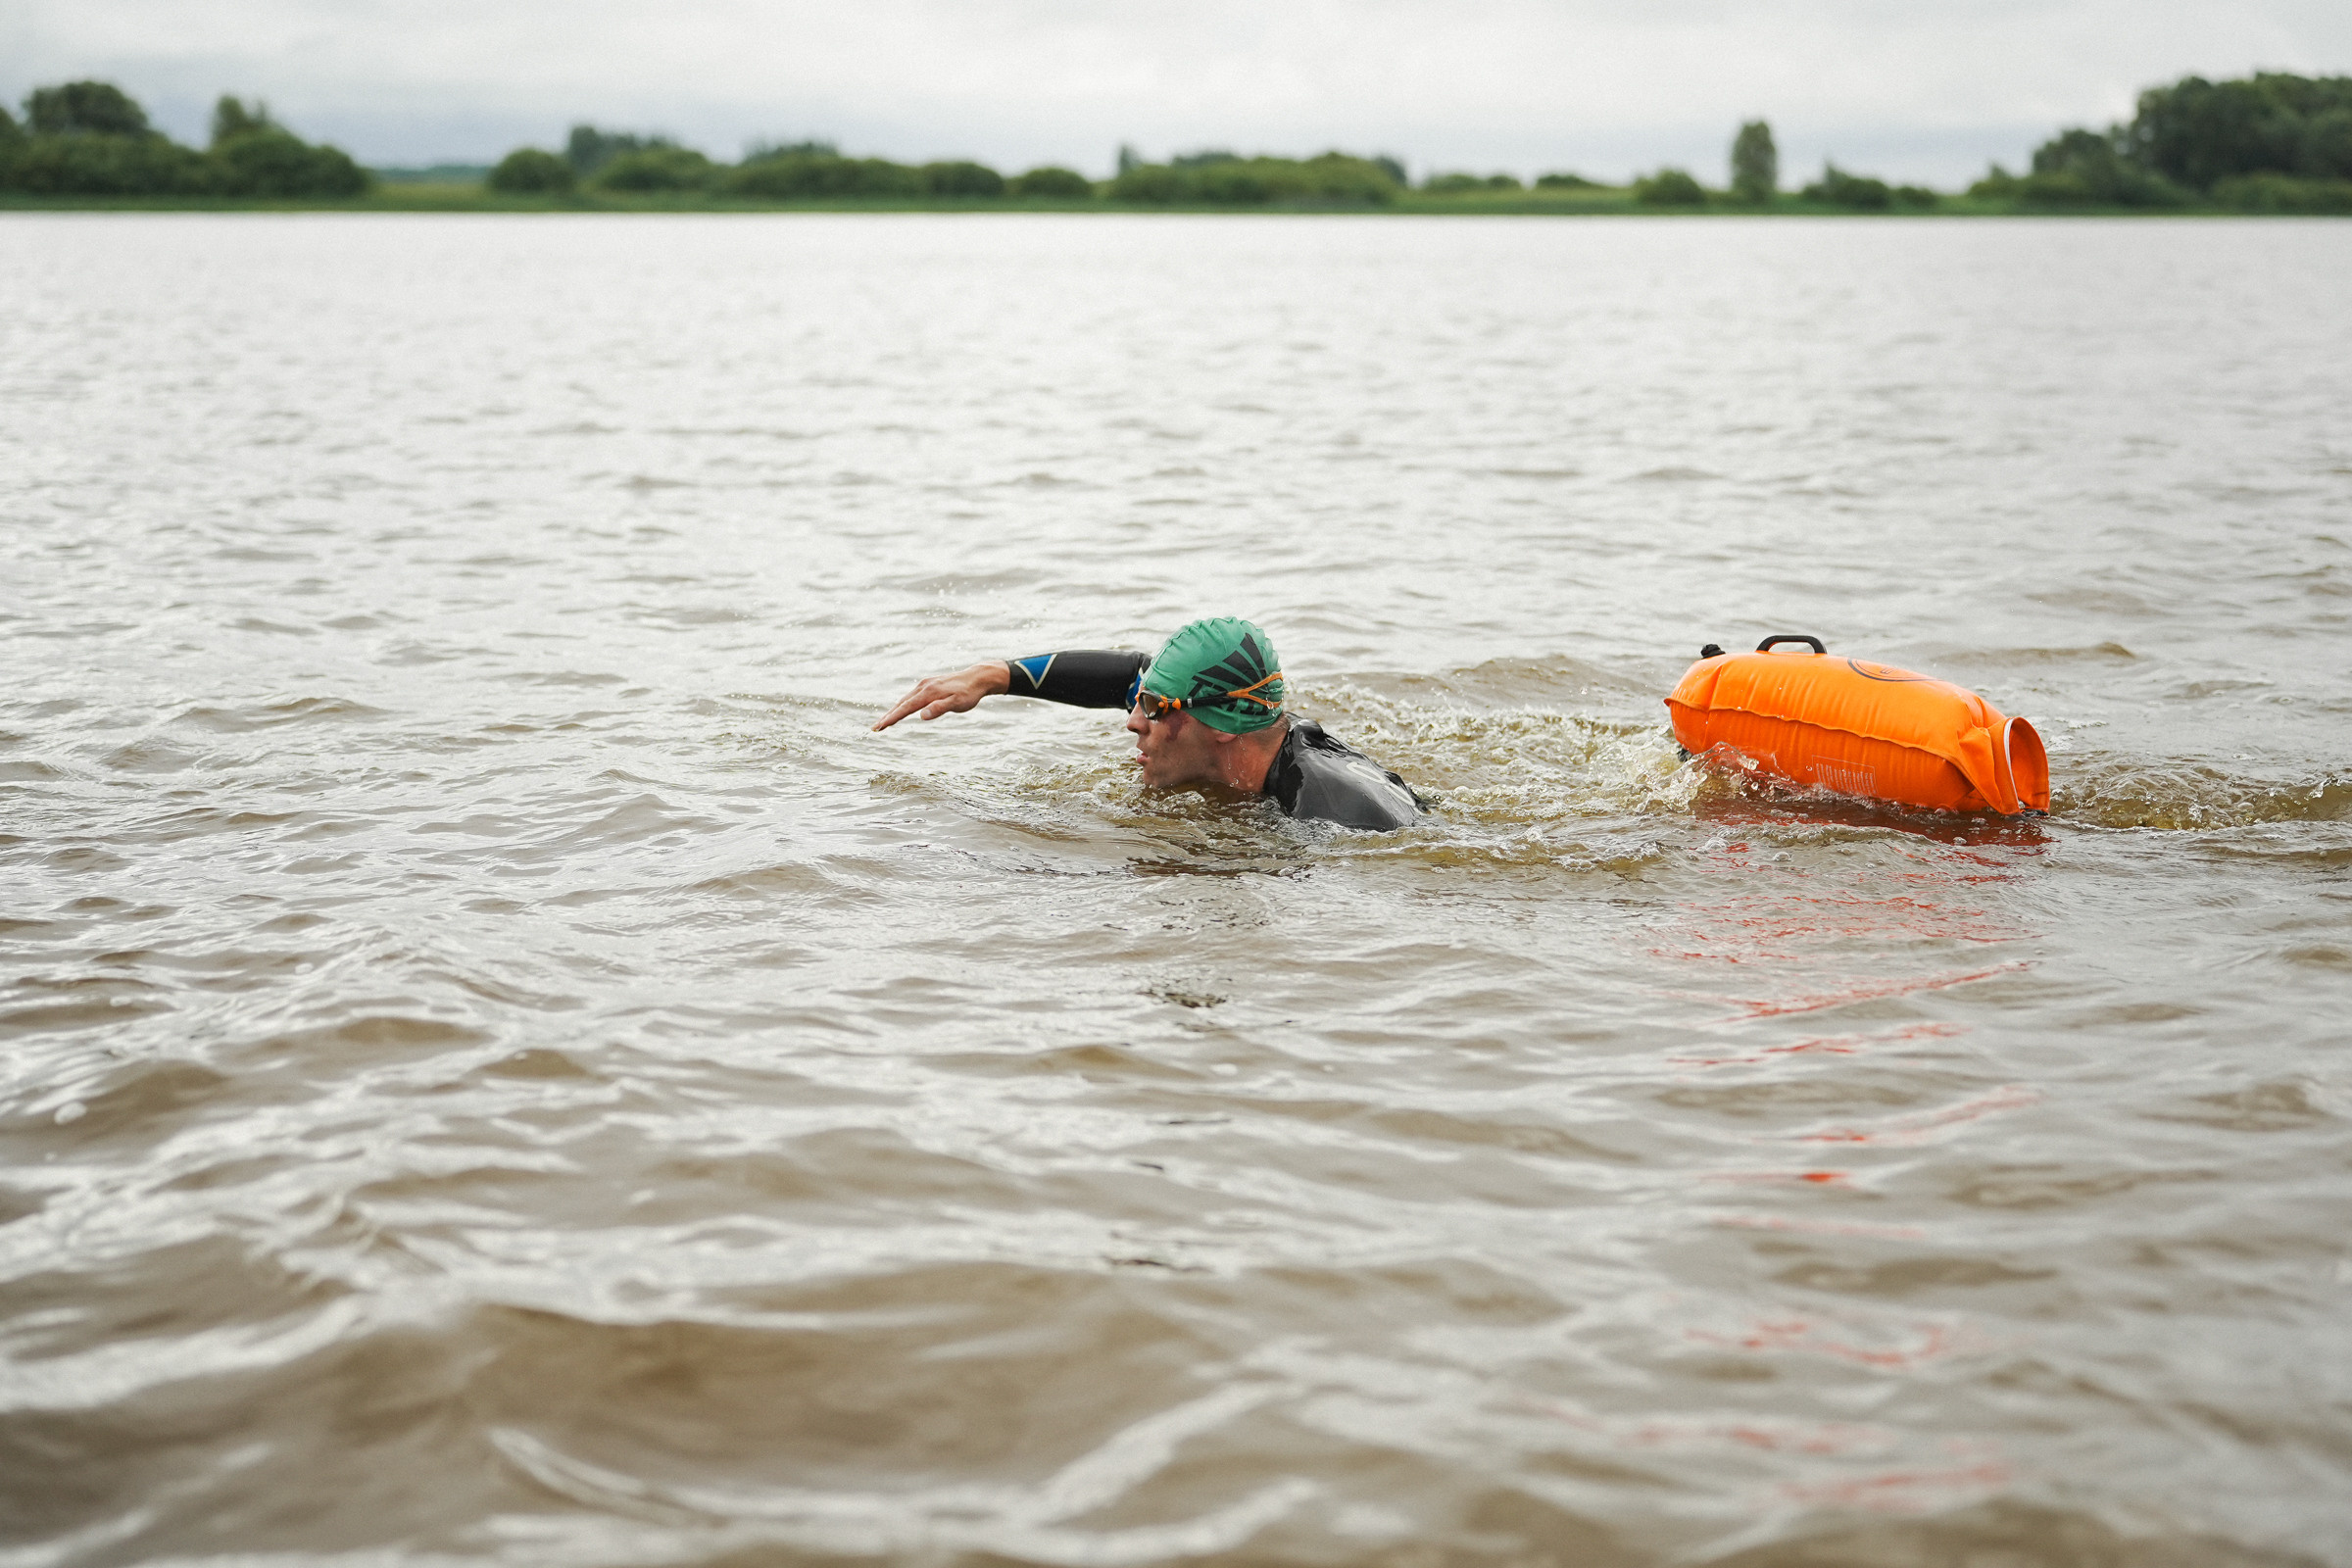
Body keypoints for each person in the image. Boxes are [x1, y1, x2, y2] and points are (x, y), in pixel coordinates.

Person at [873, 616, 1423, 831]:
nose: (1132, 720)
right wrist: (994, 677)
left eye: (1154, 708)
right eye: (1139, 701)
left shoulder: (1335, 808)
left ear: (1221, 725)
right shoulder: (1236, 716)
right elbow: (1118, 675)